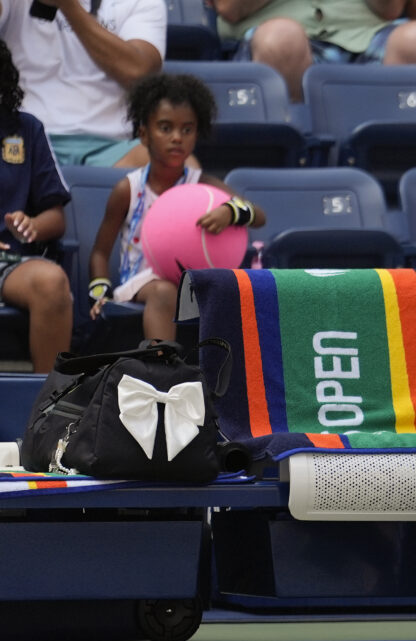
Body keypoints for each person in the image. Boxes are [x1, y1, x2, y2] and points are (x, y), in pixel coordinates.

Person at [89, 73, 266, 342]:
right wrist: (100, 291)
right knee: (164, 292)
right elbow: (100, 252)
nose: (177, 138)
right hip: (141, 282)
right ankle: (163, 371)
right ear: (144, 134)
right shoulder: (128, 189)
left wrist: (230, 212)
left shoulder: (204, 186)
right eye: (165, 127)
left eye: (187, 129)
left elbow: (259, 216)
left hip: (195, 283)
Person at [0, 0, 167, 168]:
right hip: (23, 136)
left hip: (111, 146)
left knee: (180, 168)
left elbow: (140, 74)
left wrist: (69, 6)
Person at [0, 38, 73, 373]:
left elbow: (55, 217)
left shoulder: (26, 129)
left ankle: (49, 413)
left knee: (52, 281)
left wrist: (32, 225)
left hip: (12, 262)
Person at [213, 0, 416, 103]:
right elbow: (230, 7)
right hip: (276, 34)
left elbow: (390, 8)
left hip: (365, 32)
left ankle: (394, 158)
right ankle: (298, 160)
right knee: (282, 39)